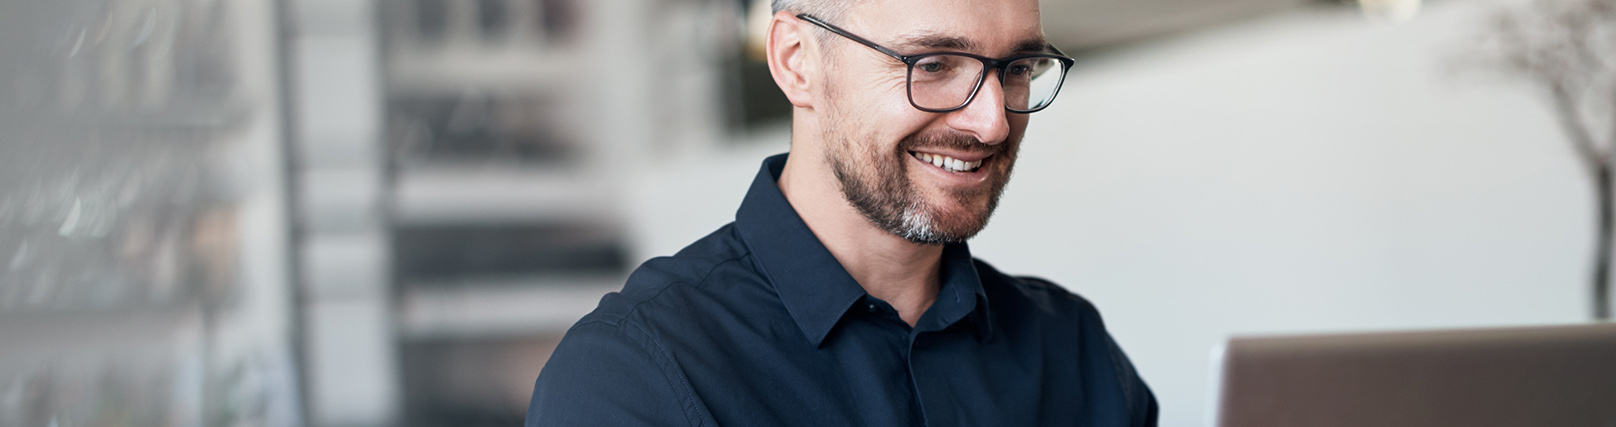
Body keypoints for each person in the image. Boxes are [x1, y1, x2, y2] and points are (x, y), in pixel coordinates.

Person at [525, 0, 1158, 425]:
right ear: (797, 61)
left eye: (1016, 68)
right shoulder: (633, 377)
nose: (991, 121)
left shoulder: (1071, 349)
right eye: (932, 65)